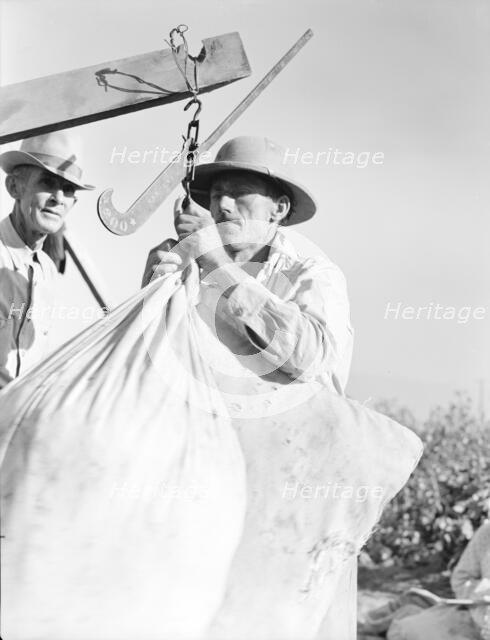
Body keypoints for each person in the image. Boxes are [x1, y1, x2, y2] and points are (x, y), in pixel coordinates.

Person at [142, 135, 354, 394]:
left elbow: (311, 359)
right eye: (217, 194)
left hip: (293, 430)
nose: (223, 205)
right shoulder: (193, 278)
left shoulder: (313, 275)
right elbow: (153, 367)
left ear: (279, 209)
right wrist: (159, 286)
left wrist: (219, 265)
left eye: (239, 194)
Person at [0, 131, 94, 390]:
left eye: (68, 189)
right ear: (14, 187)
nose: (58, 198)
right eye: (47, 183)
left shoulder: (48, 272)